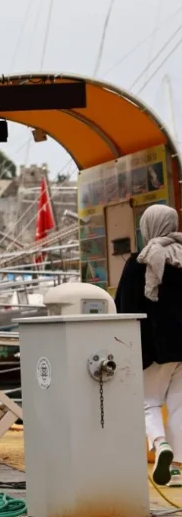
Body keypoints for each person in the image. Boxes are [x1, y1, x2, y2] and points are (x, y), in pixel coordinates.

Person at [115, 204, 182, 488]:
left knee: (147, 401)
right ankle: (176, 469)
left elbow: (123, 307)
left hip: (154, 348)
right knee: (179, 405)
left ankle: (159, 443)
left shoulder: (139, 262)